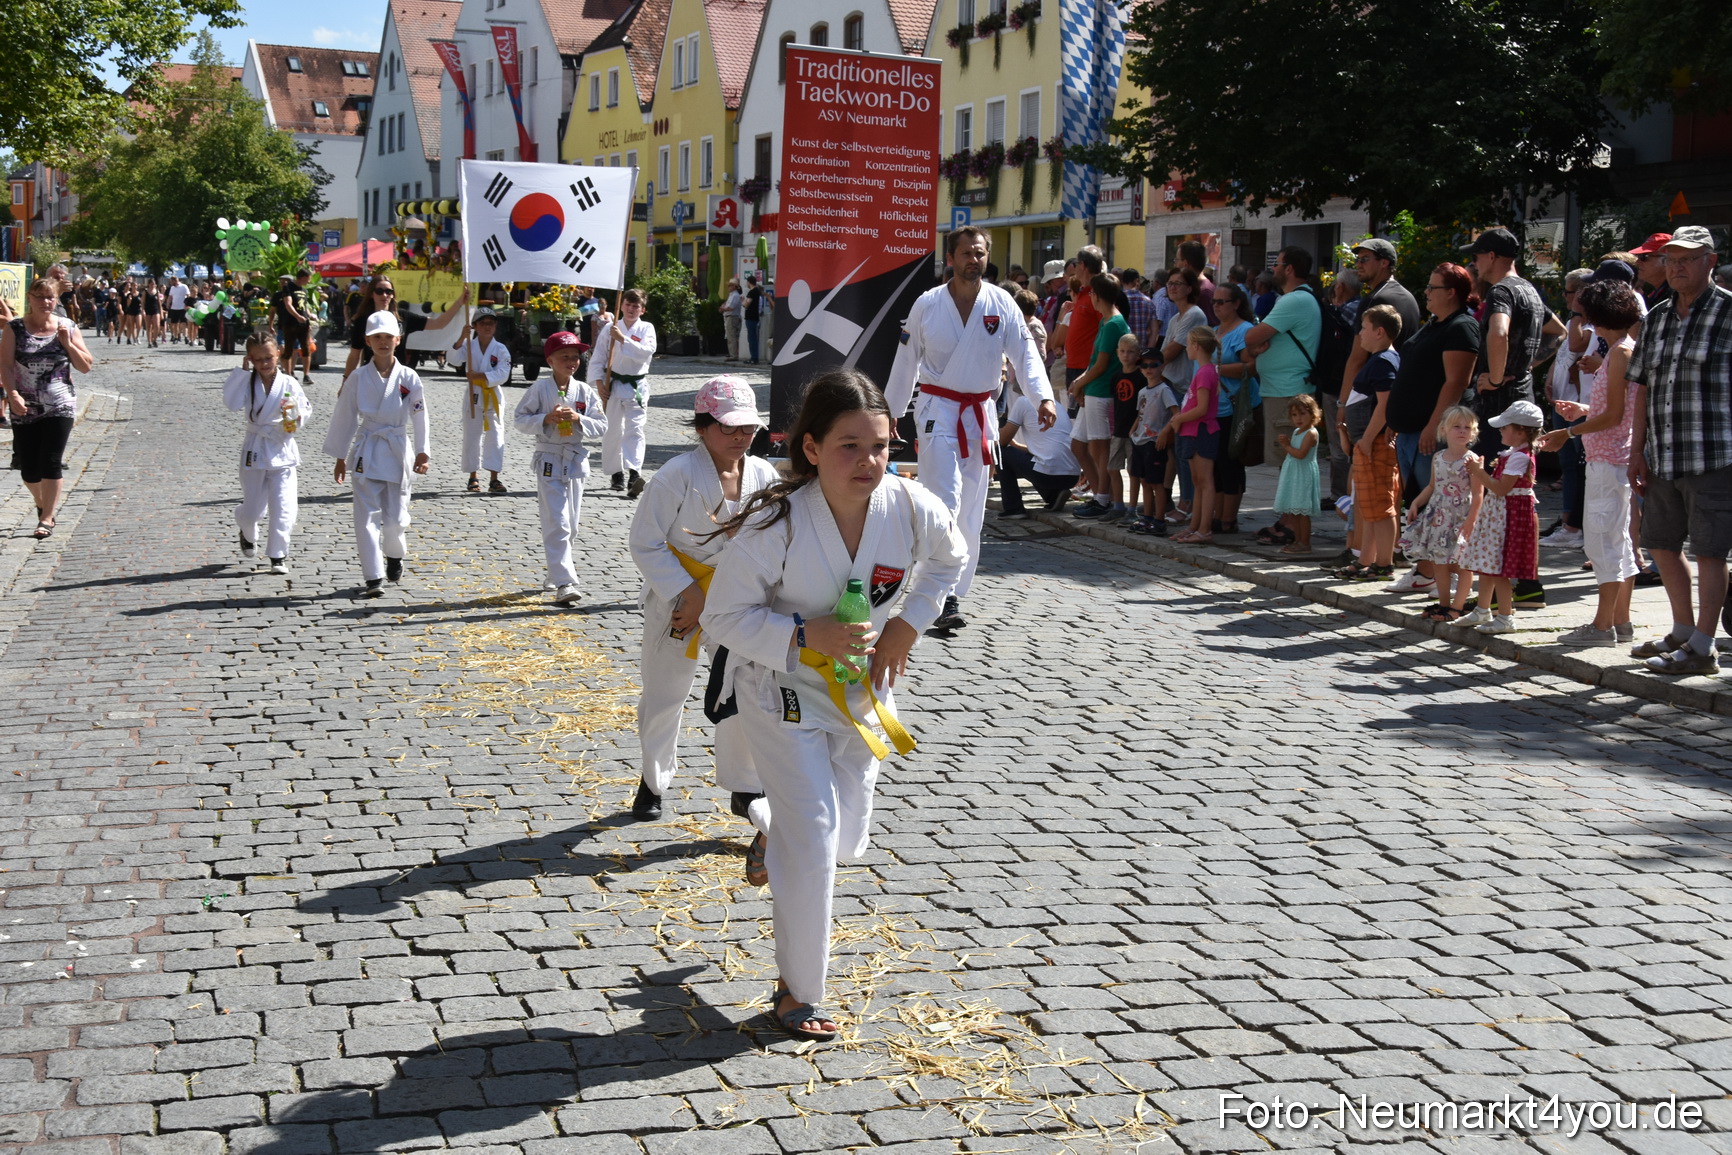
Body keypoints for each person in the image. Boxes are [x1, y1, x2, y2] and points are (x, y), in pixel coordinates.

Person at [700, 370, 967, 1043]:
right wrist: (799, 633)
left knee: (845, 840)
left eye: (879, 446)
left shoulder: (908, 505)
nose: (869, 462)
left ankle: (767, 822)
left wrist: (909, 622)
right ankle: (799, 989)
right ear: (811, 448)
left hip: (860, 690)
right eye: (850, 446)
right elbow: (723, 615)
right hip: (781, 688)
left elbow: (950, 557)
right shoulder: (778, 522)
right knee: (815, 838)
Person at [885, 226, 1054, 630]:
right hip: (938, 411)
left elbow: (1025, 355)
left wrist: (1041, 396)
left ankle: (953, 596)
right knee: (945, 501)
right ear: (951, 258)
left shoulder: (1002, 304)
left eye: (979, 253)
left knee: (971, 513)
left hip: (980, 416)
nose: (973, 260)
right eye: (966, 253)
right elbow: (906, 359)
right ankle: (933, 592)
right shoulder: (928, 304)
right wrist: (890, 411)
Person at [627, 375, 777, 825]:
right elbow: (645, 542)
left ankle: (745, 783)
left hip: (738, 601)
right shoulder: (677, 475)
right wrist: (686, 592)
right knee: (665, 693)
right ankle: (653, 780)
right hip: (679, 601)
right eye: (729, 427)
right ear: (702, 426)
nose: (740, 436)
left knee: (744, 688)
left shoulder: (764, 474)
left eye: (747, 427)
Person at [1624, 225, 1731, 675]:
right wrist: (1636, 449)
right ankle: (1683, 631)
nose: (1677, 266)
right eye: (1671, 259)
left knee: (1710, 549)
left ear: (1710, 260)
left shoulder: (1728, 312)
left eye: (1687, 258)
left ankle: (1704, 647)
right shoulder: (1658, 316)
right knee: (1662, 544)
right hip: (1663, 452)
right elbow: (1644, 386)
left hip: (1715, 452)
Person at [1536, 279, 1639, 647]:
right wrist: (1583, 411)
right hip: (1610, 458)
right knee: (1616, 542)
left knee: (1601, 543)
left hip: (1608, 459)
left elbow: (1613, 416)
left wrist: (1569, 431)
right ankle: (1620, 622)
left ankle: (1602, 626)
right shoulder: (1620, 350)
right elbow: (1616, 409)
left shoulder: (1620, 353)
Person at [322, 311, 431, 598]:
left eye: (388, 337)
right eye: (377, 337)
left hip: (396, 448)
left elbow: (420, 416)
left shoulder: (409, 377)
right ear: (368, 341)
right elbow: (344, 417)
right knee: (366, 516)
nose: (383, 342)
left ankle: (395, 554)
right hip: (367, 449)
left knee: (395, 519)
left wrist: (423, 451)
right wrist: (340, 456)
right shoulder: (358, 378)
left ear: (398, 339)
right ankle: (373, 576)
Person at [513, 331, 606, 605]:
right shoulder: (539, 390)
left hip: (575, 460)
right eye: (564, 356)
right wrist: (546, 418)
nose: (571, 361)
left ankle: (555, 571)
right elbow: (520, 419)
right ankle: (565, 582)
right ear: (550, 359)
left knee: (572, 525)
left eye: (575, 357)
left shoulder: (584, 391)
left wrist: (578, 418)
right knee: (558, 522)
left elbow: (602, 425)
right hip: (550, 460)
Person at [1, 278, 93, 539]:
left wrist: (68, 343)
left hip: (60, 403)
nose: (46, 302)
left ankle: (47, 518)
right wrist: (13, 394)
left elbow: (85, 366)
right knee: (28, 468)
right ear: (29, 298)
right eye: (40, 297)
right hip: (24, 404)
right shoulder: (15, 328)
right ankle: (43, 503)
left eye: (50, 297)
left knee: (50, 461)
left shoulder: (67, 326)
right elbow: (6, 365)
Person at [223, 334, 312, 574]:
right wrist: (242, 373)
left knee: (284, 506)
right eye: (258, 359)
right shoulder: (247, 382)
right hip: (255, 449)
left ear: (279, 354)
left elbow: (303, 410)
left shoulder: (289, 383)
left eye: (269, 357)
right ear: (250, 358)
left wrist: (294, 419)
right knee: (253, 510)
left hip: (282, 448)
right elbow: (231, 403)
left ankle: (277, 555)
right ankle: (246, 528)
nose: (264, 363)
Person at [1456, 401, 1543, 634]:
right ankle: (1483, 609)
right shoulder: (1513, 453)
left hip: (1508, 517)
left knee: (1499, 567)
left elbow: (1501, 488)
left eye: (1505, 427)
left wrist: (1478, 472)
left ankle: (1505, 616)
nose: (1501, 431)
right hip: (1499, 515)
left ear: (1520, 431)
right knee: (1488, 563)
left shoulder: (1520, 457)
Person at [1335, 306, 1403, 582]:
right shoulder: (1380, 359)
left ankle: (1383, 563)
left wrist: (1366, 438)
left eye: (1364, 327)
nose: (1360, 333)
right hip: (1366, 444)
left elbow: (1385, 403)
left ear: (1380, 331)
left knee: (1380, 505)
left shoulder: (1384, 360)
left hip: (1373, 445)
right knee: (1368, 507)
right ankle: (1366, 559)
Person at [1063, 272, 1132, 525]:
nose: (1089, 296)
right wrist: (1082, 383)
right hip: (1093, 390)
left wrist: (1080, 382)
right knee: (1079, 446)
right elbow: (1094, 362)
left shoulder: (1114, 323)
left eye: (1092, 293)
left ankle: (1104, 499)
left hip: (1103, 393)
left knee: (1100, 448)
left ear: (1098, 295)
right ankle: (1100, 493)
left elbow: (1103, 365)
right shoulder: (1105, 321)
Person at [1243, 248, 1321, 468]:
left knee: (1286, 463)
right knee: (1287, 464)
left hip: (1287, 392)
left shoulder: (1293, 301)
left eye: (1276, 264)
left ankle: (1291, 504)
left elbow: (1251, 337)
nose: (1272, 269)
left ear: (1289, 269)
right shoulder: (1300, 298)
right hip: (1284, 389)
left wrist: (1255, 344)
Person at [1406, 407, 1481, 621]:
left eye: (1467, 427)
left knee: (1463, 563)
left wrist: (1471, 520)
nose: (1462, 431)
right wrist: (1416, 502)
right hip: (1439, 516)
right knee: (1439, 561)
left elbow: (1478, 494)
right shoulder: (1438, 457)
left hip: (1461, 517)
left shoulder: (1472, 460)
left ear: (1473, 433)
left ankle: (1458, 606)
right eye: (1456, 426)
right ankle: (1444, 603)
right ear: (1444, 430)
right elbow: (1432, 485)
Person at [591, 288, 658, 499]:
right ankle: (615, 472)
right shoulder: (610, 328)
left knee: (635, 429)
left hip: (636, 386)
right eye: (628, 304)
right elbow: (598, 357)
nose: (631, 309)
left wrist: (623, 339)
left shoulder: (647, 328)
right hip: (613, 383)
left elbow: (646, 352)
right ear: (621, 306)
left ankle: (634, 472)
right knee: (612, 430)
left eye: (636, 306)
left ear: (643, 309)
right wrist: (599, 383)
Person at [1164, 326, 1222, 544]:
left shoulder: (1206, 372)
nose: (1186, 348)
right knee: (1197, 482)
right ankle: (1195, 526)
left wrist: (1179, 418)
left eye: (1188, 344)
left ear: (1196, 346)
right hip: (1193, 432)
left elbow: (1202, 408)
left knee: (1205, 482)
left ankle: (1204, 529)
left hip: (1201, 432)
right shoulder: (1203, 370)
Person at [997, 372, 1079, 518]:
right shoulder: (1056, 405)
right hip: (1072, 476)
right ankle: (1054, 495)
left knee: (999, 452)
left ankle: (1013, 508)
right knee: (1034, 460)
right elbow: (1042, 449)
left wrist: (997, 431)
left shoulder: (1023, 401)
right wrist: (1017, 446)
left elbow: (1002, 441)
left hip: (1048, 475)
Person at [449, 308, 512, 494]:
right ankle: (473, 476)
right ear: (475, 326)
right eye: (483, 323)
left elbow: (503, 374)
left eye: (490, 323)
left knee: (496, 435)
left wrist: (481, 375)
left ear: (495, 326)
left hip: (492, 394)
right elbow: (453, 359)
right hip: (474, 394)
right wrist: (462, 337)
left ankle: (494, 478)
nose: (487, 327)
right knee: (472, 435)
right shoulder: (468, 346)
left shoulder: (500, 349)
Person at [1210, 283, 1257, 534]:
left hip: (1235, 408)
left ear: (1236, 303)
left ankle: (1229, 519)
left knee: (1231, 464)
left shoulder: (1245, 331)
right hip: (1214, 409)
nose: (1216, 306)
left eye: (1222, 302)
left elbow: (1251, 367)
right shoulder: (1215, 330)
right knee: (1216, 464)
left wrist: (1216, 371)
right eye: (1214, 302)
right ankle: (1217, 516)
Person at [1126, 349, 1177, 535]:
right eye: (1144, 365)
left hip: (1154, 442)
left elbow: (1175, 414)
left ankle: (1159, 520)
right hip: (1139, 440)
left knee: (1157, 483)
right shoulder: (1142, 392)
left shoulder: (1164, 390)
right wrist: (1133, 430)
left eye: (1153, 365)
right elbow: (1141, 414)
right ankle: (1147, 518)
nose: (1148, 369)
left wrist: (1165, 432)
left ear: (1162, 367)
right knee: (1144, 481)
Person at [1271, 395, 1322, 554]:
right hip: (1294, 474)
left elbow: (1300, 454)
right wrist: (1287, 442)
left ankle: (1304, 543)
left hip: (1303, 474)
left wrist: (1286, 445)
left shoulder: (1311, 433)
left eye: (1302, 414)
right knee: (1295, 511)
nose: (1298, 418)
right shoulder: (1297, 431)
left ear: (1312, 414)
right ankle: (1297, 540)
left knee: (1302, 511)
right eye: (1294, 415)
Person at [345, 278, 400, 378]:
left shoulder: (402, 317)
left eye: (388, 291)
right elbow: (354, 355)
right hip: (371, 375)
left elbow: (434, 323)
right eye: (379, 291)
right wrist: (346, 381)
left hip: (399, 375)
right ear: (371, 294)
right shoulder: (362, 321)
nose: (384, 295)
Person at [721, 278, 744, 362]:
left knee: (732, 336)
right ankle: (732, 353)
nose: (728, 287)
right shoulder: (732, 295)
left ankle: (733, 355)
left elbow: (731, 307)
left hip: (732, 317)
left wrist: (723, 309)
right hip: (730, 317)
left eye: (730, 285)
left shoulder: (735, 295)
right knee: (730, 336)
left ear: (734, 286)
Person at [742, 275, 764, 364]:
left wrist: (743, 302)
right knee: (753, 338)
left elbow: (747, 304)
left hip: (751, 318)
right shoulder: (757, 291)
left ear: (749, 282)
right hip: (755, 317)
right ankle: (754, 357)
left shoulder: (752, 292)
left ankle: (754, 358)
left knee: (752, 338)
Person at [166, 276, 190, 343]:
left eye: (172, 281)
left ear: (175, 281)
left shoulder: (184, 286)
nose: (171, 283)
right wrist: (168, 304)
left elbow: (188, 295)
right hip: (174, 307)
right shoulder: (172, 288)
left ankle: (185, 336)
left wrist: (187, 304)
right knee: (175, 323)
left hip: (182, 307)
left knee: (183, 323)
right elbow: (170, 296)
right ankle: (176, 337)